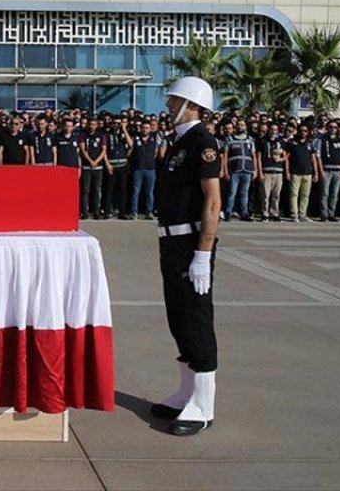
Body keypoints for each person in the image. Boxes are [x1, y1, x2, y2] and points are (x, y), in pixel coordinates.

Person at [150, 76, 222, 436]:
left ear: (192, 104)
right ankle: (186, 392)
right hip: (171, 242)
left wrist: (202, 255)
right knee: (178, 317)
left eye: (173, 101)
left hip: (191, 243)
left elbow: (212, 202)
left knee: (195, 318)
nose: (167, 106)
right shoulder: (179, 142)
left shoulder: (202, 144)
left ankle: (204, 405)